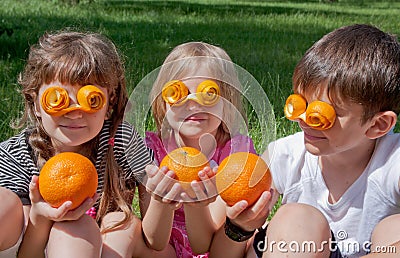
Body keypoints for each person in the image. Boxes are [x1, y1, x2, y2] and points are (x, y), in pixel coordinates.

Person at [0, 29, 173, 258]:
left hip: (110, 243)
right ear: (36, 104)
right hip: (37, 244)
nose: (74, 112)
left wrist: (163, 200)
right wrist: (40, 218)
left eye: (91, 100)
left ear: (109, 103)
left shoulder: (121, 141)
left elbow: (156, 242)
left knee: (113, 223)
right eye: (57, 98)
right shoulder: (17, 155)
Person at [242, 24, 400, 258]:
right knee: (295, 219)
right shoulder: (286, 156)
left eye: (322, 115)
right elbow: (234, 245)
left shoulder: (393, 162)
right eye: (300, 104)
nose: (304, 120)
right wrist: (240, 226)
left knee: (395, 228)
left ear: (378, 125)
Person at [142, 42, 272, 258]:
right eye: (178, 93)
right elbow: (154, 241)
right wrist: (159, 200)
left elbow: (206, 245)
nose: (193, 104)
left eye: (209, 94)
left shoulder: (237, 155)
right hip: (166, 248)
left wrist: (196, 204)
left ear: (227, 101)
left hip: (222, 246)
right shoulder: (152, 150)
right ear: (163, 103)